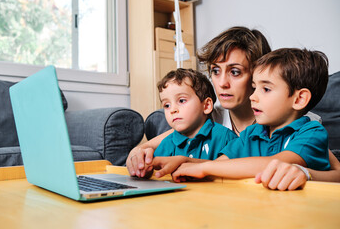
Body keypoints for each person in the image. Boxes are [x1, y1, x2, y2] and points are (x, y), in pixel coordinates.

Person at [127, 26, 340, 188]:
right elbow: (156, 144)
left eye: (235, 72)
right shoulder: (212, 117)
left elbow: (333, 171)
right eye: (215, 71)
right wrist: (141, 155)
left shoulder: (306, 124)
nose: (221, 84)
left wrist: (308, 174)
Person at [171, 48, 331, 182]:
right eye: (254, 88)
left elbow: (276, 164)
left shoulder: (312, 132)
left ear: (299, 99)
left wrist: (204, 168)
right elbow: (220, 165)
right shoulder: (251, 133)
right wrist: (183, 163)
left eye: (266, 89)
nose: (252, 97)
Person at [151, 69, 237, 166]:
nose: (172, 110)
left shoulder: (225, 138)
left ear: (206, 106)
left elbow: (236, 169)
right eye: (167, 105)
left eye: (182, 100)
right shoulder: (167, 144)